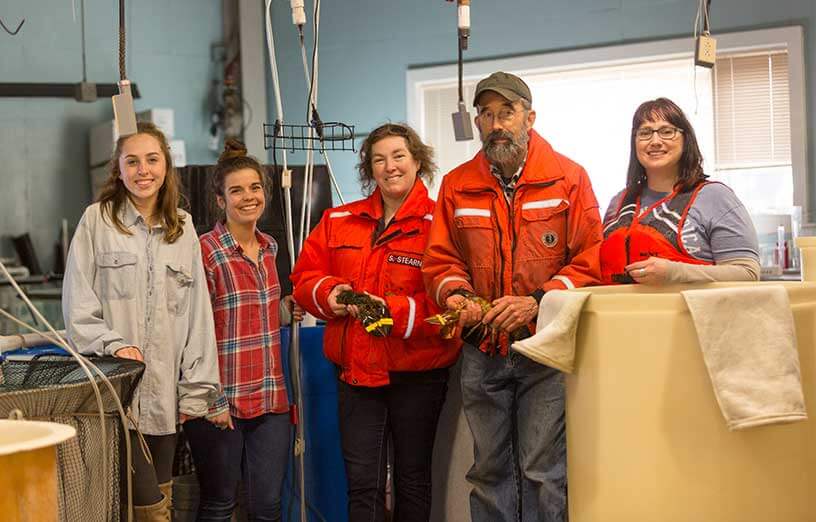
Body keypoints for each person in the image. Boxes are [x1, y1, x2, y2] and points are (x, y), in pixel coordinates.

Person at [422, 71, 603, 521]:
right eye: (487, 114)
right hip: (482, 349)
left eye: (507, 112)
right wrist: (460, 298)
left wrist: (538, 301)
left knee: (543, 470)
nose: (496, 123)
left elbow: (594, 258)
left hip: (545, 349)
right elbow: (441, 261)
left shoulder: (569, 178)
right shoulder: (456, 184)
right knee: (488, 471)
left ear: (530, 117)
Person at [290, 123, 460, 522]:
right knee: (362, 482)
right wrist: (330, 294)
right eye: (378, 159)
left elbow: (450, 301)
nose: (390, 167)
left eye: (398, 156)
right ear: (369, 169)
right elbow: (304, 277)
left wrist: (390, 312)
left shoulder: (442, 224)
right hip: (357, 375)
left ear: (417, 161)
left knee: (413, 478)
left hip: (418, 373)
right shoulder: (339, 219)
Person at [62, 122, 224, 521]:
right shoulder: (97, 220)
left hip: (163, 397)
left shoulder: (183, 228)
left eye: (152, 160)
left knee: (156, 499)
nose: (143, 170)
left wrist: (197, 390)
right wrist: (113, 344)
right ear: (118, 169)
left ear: (166, 166)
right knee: (145, 507)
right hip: (115, 394)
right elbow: (78, 306)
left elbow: (197, 315)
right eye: (131, 161)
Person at [185, 139, 302, 521]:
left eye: (254, 188)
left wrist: (286, 308)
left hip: (270, 397)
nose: (248, 197)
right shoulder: (205, 251)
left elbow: (260, 315)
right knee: (219, 505)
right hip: (221, 400)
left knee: (267, 507)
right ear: (220, 200)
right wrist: (210, 398)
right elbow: (192, 329)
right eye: (236, 190)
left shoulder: (270, 248)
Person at [601, 97, 760, 284]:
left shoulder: (715, 197)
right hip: (619, 311)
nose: (655, 141)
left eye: (667, 132)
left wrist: (675, 272)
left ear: (686, 140)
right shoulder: (618, 203)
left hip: (689, 312)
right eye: (644, 133)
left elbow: (748, 273)